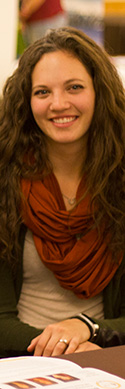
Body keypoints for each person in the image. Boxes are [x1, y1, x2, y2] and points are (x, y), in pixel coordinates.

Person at [0, 26, 124, 359]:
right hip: (18, 360)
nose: (59, 104)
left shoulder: (121, 179)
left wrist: (89, 329)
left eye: (74, 87)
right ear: (26, 100)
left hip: (104, 355)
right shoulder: (4, 179)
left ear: (100, 91)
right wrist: (67, 347)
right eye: (42, 92)